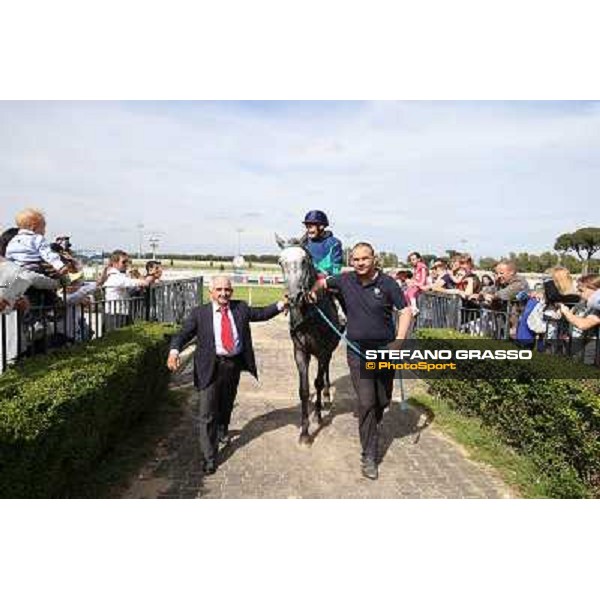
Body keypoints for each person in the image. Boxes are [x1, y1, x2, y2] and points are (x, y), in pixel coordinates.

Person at [311, 242, 413, 480]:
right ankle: (369, 454)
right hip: (358, 352)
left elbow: (405, 311)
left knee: (382, 400)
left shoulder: (388, 284)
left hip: (385, 351)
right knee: (366, 402)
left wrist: (399, 342)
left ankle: (373, 422)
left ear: (374, 258)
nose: (359, 263)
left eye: (364, 259)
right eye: (355, 259)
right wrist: (314, 292)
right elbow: (322, 283)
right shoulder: (345, 280)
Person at [167, 275, 289, 475]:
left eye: (227, 290)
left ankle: (223, 428)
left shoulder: (239, 307)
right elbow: (182, 334)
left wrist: (281, 304)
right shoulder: (200, 313)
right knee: (207, 413)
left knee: (226, 404)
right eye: (219, 290)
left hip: (232, 366)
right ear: (211, 292)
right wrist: (174, 351)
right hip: (209, 366)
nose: (224, 293)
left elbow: (261, 313)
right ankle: (209, 457)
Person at [102, 250, 157, 330]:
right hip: (116, 315)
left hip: (119, 314)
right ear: (114, 263)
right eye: (123, 262)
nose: (126, 264)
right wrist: (150, 277)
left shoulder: (118, 276)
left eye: (127, 262)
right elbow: (140, 283)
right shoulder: (115, 277)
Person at [300, 210, 343, 278]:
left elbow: (336, 270)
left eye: (310, 227)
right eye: (307, 227)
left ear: (321, 226)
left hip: (327, 283)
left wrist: (323, 275)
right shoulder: (304, 243)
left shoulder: (334, 243)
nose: (308, 230)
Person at [404, 251, 429, 315]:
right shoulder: (415, 268)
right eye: (411, 260)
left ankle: (414, 308)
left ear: (419, 259)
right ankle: (410, 308)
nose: (412, 261)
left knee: (411, 292)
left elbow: (423, 280)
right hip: (416, 285)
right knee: (406, 293)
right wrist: (411, 282)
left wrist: (416, 283)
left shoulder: (422, 267)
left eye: (413, 259)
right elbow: (415, 278)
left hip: (421, 286)